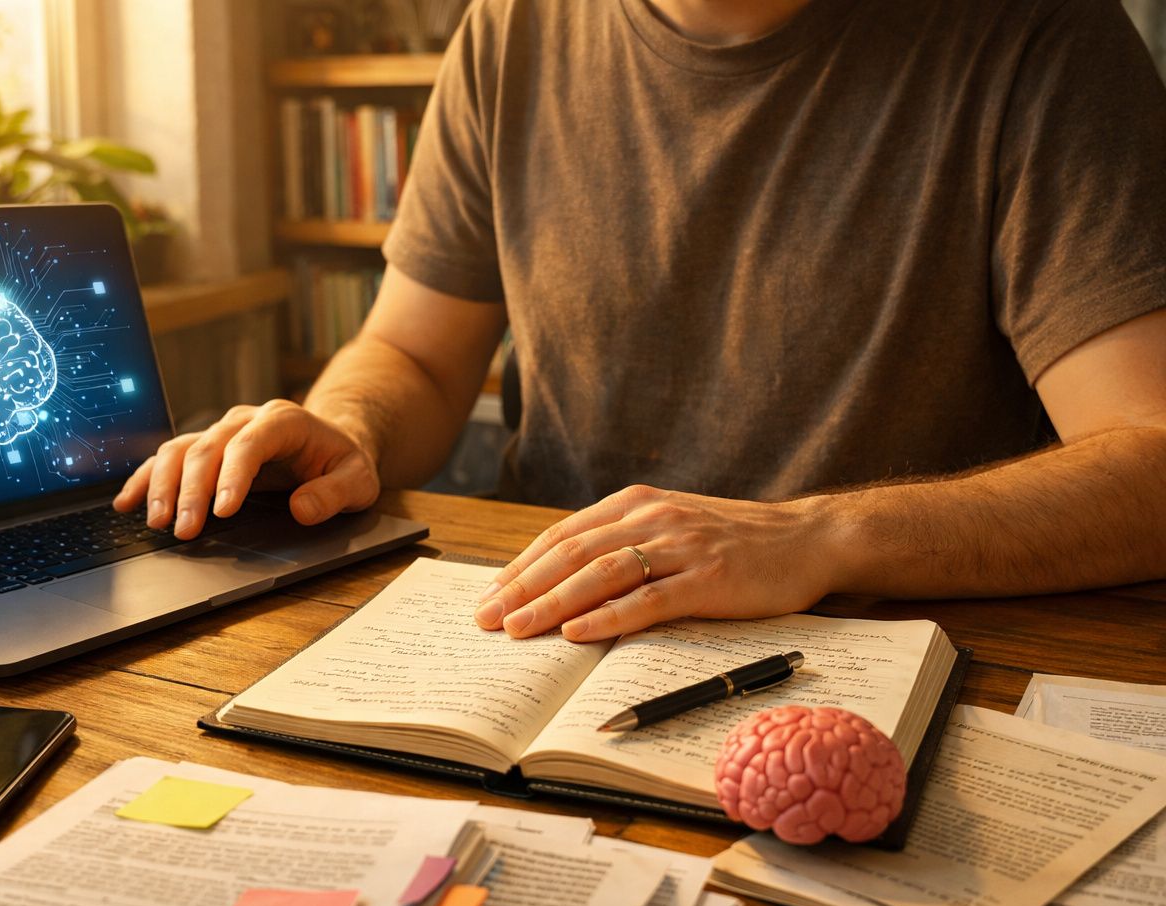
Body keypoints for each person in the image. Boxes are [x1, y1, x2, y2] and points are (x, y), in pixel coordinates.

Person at [117, 0, 1166, 644]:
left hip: (890, 643)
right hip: (541, 629)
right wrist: (350, 427)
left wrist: (819, 535)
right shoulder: (509, 28)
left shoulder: (1041, 33)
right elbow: (410, 356)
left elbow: (1152, 459)